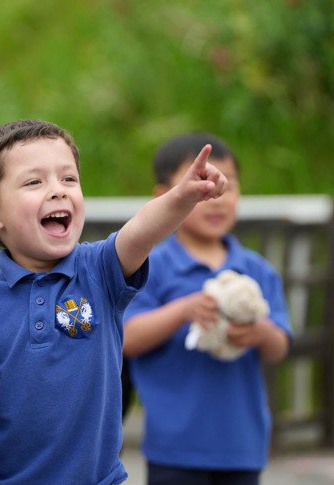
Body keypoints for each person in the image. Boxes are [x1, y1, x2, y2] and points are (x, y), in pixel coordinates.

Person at [0, 119, 228, 484]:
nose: (59, 191)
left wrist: (183, 195)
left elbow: (141, 230)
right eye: (34, 181)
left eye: (68, 179)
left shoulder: (99, 269)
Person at [123, 132, 291, 485]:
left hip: (242, 447)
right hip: (174, 449)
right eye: (201, 186)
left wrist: (259, 332)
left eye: (226, 186)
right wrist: (182, 310)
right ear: (163, 197)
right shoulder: (151, 265)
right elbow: (126, 338)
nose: (216, 199)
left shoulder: (257, 269)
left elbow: (279, 347)